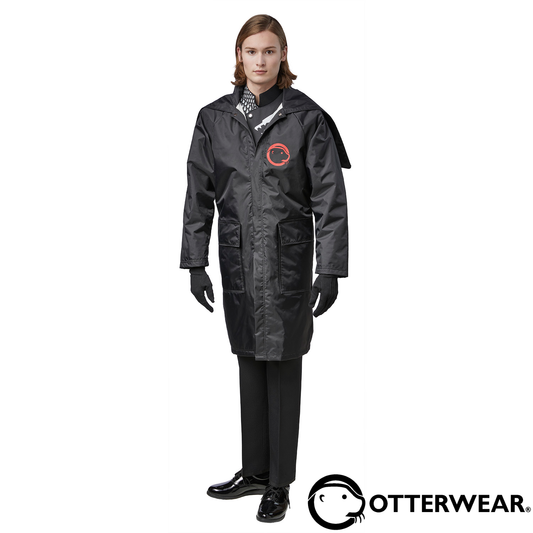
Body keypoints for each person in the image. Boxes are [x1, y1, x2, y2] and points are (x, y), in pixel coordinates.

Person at [180, 14, 350, 523]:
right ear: (239, 56)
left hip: (286, 261)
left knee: (282, 365)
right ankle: (254, 471)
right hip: (237, 260)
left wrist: (330, 269)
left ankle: (280, 482)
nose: (260, 60)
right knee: (249, 362)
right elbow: (198, 194)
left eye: (269, 51)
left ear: (283, 56)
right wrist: (195, 262)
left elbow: (329, 198)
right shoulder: (214, 119)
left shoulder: (306, 118)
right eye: (251, 51)